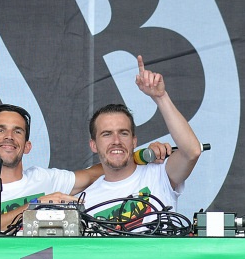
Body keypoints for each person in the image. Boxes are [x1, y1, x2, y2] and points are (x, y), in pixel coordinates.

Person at [0, 104, 120, 231]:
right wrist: (36, 205)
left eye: (17, 131)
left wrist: (133, 155)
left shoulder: (43, 178)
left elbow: (93, 174)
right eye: (0, 130)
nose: (9, 136)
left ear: (27, 147)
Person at [82, 55, 202, 221]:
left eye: (123, 133)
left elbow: (192, 152)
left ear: (134, 141)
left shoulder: (159, 174)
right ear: (93, 145)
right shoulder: (85, 202)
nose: (116, 141)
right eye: (107, 134)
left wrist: (160, 97)